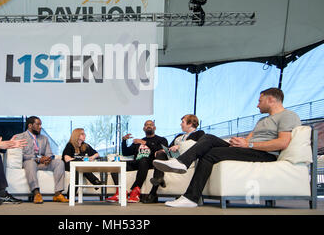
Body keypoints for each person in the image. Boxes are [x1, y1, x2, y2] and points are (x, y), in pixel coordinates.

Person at [153, 88, 301, 207]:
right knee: (209, 139)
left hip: (265, 154)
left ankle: (190, 193)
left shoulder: (287, 115)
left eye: (260, 101)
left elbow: (283, 142)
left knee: (210, 153)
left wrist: (248, 144)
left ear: (270, 99)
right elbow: (249, 139)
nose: (257, 104)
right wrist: (239, 142)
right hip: (250, 149)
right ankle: (186, 182)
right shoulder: (263, 119)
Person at [143, 114, 205, 204]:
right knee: (160, 154)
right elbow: (169, 147)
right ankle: (159, 178)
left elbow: (199, 146)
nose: (181, 124)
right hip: (173, 156)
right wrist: (162, 150)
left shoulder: (199, 133)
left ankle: (153, 193)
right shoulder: (179, 136)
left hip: (185, 159)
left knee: (161, 161)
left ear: (190, 124)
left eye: (183, 122)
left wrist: (179, 146)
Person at [106, 120, 168, 203]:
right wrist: (124, 141)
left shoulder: (161, 140)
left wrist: (145, 143)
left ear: (155, 128)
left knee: (144, 159)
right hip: (137, 163)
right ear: (143, 128)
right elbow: (126, 152)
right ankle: (120, 192)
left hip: (150, 163)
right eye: (146, 125)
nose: (148, 126)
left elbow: (161, 151)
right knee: (116, 165)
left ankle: (135, 191)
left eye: (151, 125)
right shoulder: (138, 141)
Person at [13, 116, 69, 204]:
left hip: (42, 163)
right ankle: (36, 193)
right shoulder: (19, 137)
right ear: (30, 125)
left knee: (59, 162)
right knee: (30, 163)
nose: (40, 127)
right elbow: (22, 156)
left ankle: (58, 194)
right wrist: (38, 159)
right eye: (38, 124)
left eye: (41, 124)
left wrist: (49, 159)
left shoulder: (44, 138)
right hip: (30, 162)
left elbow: (49, 153)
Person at [62, 128, 103, 192]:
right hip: (70, 166)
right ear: (77, 135)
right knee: (79, 166)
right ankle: (95, 181)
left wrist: (91, 158)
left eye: (84, 134)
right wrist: (81, 160)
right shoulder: (70, 145)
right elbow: (67, 159)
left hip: (81, 166)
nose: (85, 135)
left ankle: (70, 196)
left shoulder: (85, 145)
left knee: (81, 167)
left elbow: (97, 154)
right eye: (82, 134)